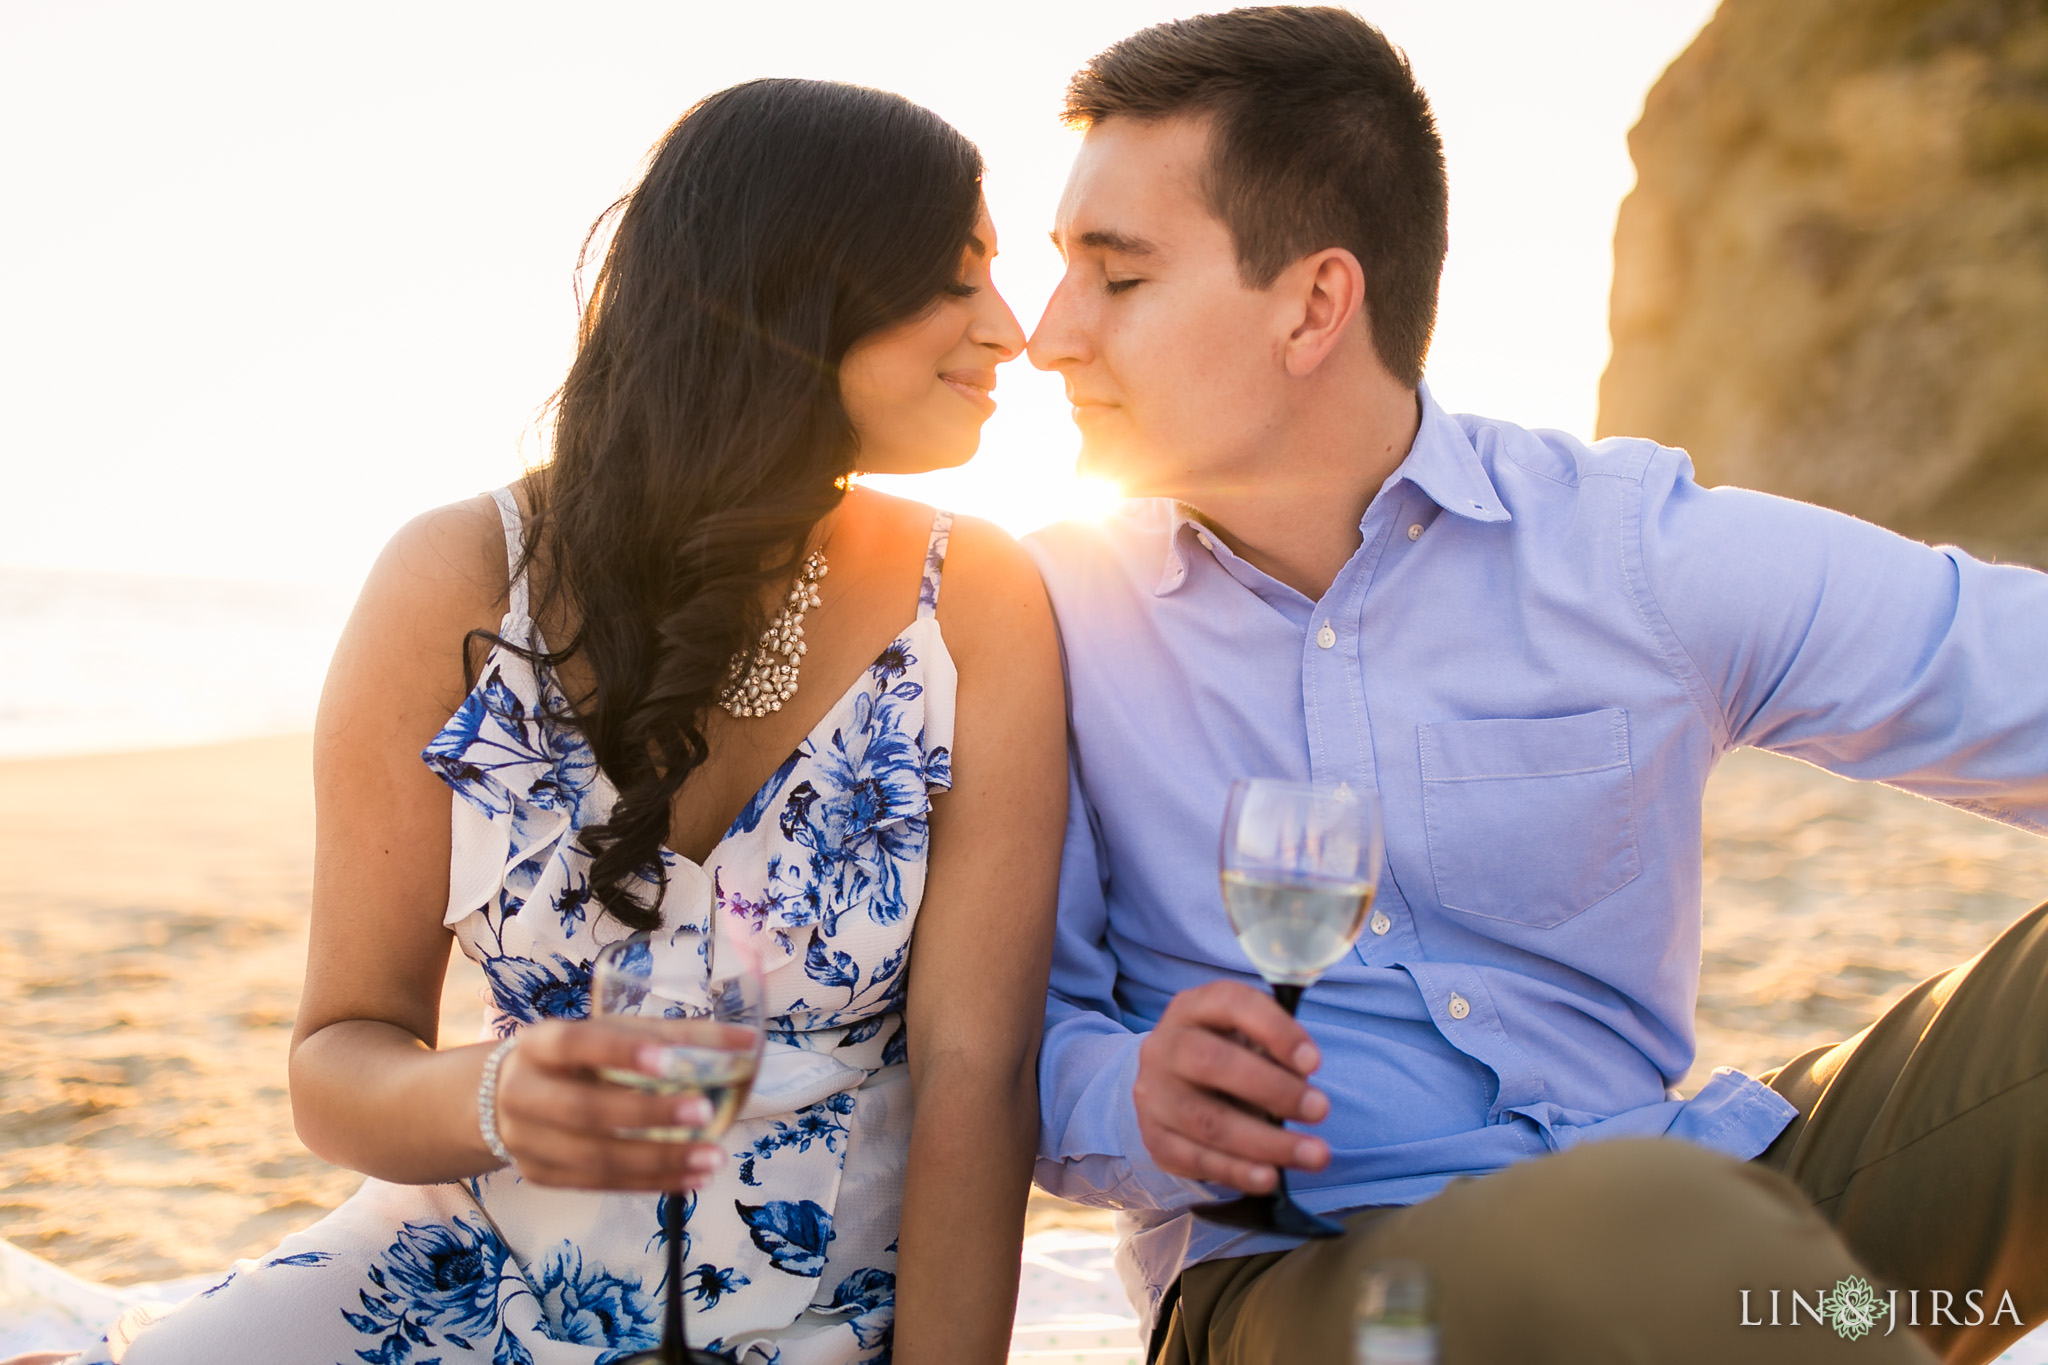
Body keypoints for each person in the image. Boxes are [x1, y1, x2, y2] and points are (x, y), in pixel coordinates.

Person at [1020, 8, 2048, 1364]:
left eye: (1118, 276)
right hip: (1302, 1294)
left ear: (1316, 304)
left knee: (1678, 1236)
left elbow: (1990, 659)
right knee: (1642, 1229)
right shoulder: (1039, 621)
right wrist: (1129, 1092)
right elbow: (995, 1049)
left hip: (1714, 1247)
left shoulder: (1616, 548)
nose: (1048, 336)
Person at [52, 78, 1065, 1365]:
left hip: (806, 1314)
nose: (1012, 330)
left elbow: (979, 1077)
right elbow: (337, 1061)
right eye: (958, 275)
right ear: (800, 288)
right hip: (457, 1271)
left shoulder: (972, 600)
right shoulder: (458, 579)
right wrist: (497, 1096)